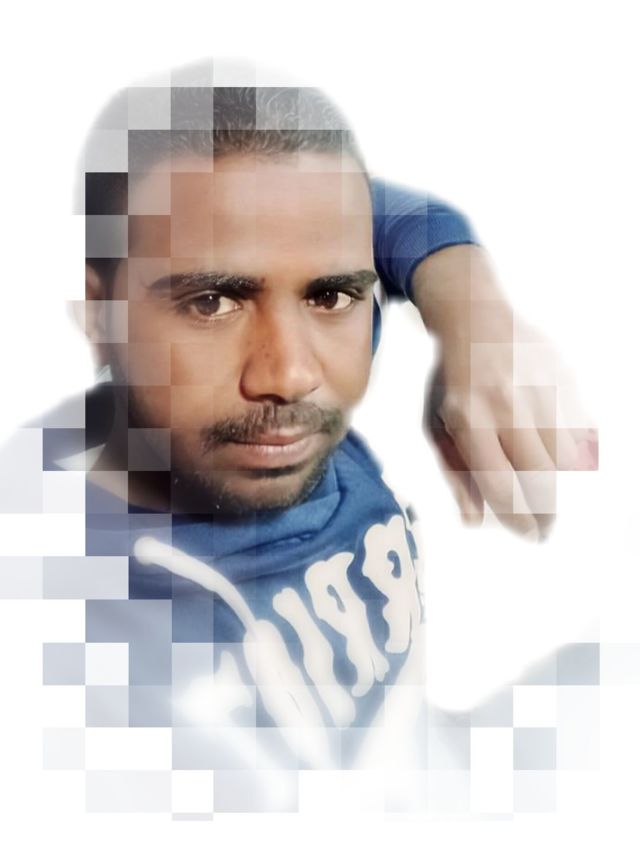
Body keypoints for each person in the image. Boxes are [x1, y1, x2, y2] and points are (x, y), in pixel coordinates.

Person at [0, 61, 596, 813]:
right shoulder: (53, 592)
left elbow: (378, 215)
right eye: (212, 302)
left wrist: (476, 324)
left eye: (331, 294)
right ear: (100, 312)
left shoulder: (283, 285)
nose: (289, 374)